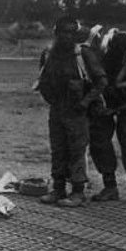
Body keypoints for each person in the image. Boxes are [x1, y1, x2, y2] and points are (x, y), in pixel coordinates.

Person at [35, 16, 107, 207]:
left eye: (70, 33)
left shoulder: (83, 54)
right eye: (62, 32)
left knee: (76, 151)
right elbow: (42, 80)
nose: (66, 36)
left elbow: (101, 82)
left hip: (77, 113)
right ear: (56, 34)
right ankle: (58, 189)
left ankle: (78, 192)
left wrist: (85, 102)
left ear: (75, 34)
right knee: (58, 150)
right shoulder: (49, 54)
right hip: (57, 110)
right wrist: (50, 99)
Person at [88, 30, 126, 207]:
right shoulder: (103, 61)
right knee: (99, 141)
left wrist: (116, 109)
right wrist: (101, 107)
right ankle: (110, 187)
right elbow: (97, 83)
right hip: (107, 104)